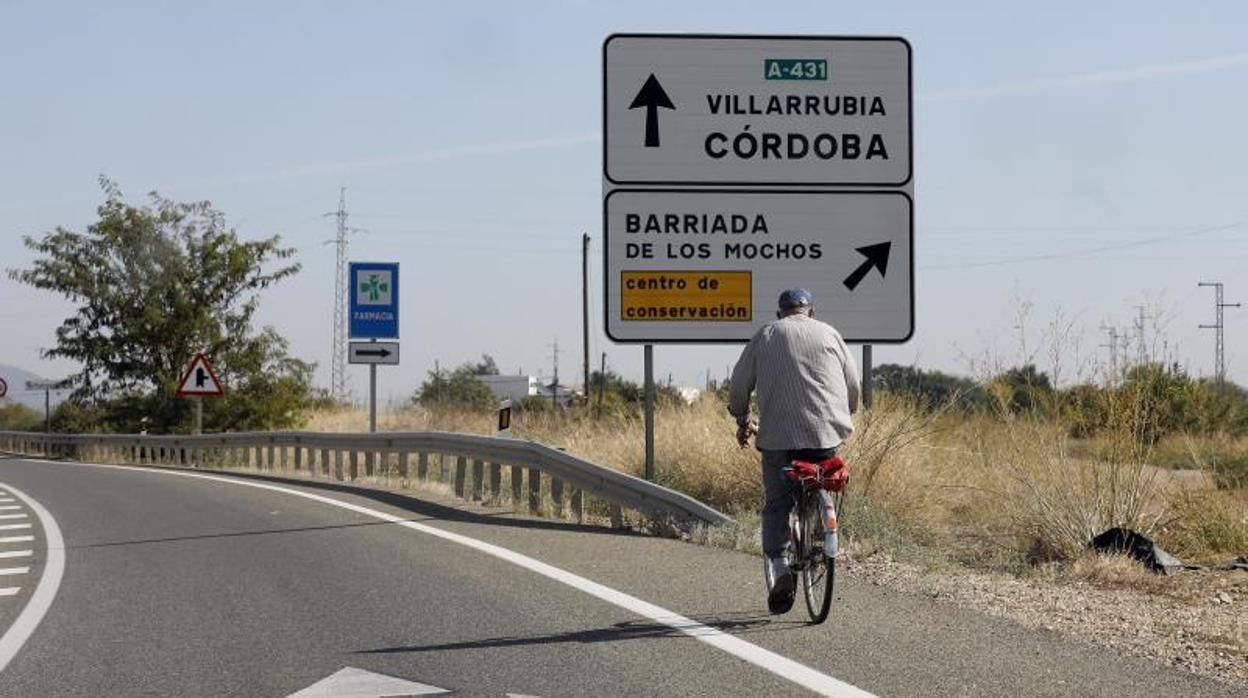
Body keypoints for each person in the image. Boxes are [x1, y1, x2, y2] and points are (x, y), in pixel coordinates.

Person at [727, 288, 861, 614]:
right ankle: (819, 527)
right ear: (811, 312)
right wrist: (844, 415)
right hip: (826, 436)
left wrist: (742, 417)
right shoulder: (830, 333)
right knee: (819, 477)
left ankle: (781, 568)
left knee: (777, 504)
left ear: (779, 314)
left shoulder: (766, 334)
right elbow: (854, 386)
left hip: (778, 441)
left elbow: (739, 385)